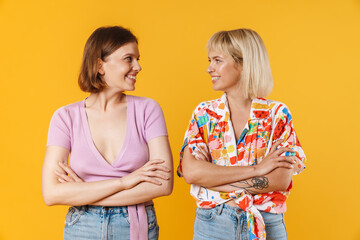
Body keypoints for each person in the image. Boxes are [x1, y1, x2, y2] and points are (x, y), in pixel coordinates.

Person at [42, 26, 173, 240]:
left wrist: (84, 193)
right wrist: (125, 181)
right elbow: (51, 193)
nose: (138, 67)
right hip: (82, 226)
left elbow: (163, 184)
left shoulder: (148, 110)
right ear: (99, 65)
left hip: (135, 224)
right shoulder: (65, 117)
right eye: (128, 59)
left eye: (138, 59)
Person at [178, 29, 306, 240]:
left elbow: (280, 180)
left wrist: (213, 181)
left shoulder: (277, 114)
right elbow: (191, 173)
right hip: (212, 224)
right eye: (210, 60)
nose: (209, 68)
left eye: (217, 60)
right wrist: (258, 168)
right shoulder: (204, 113)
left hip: (266, 223)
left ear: (244, 63)